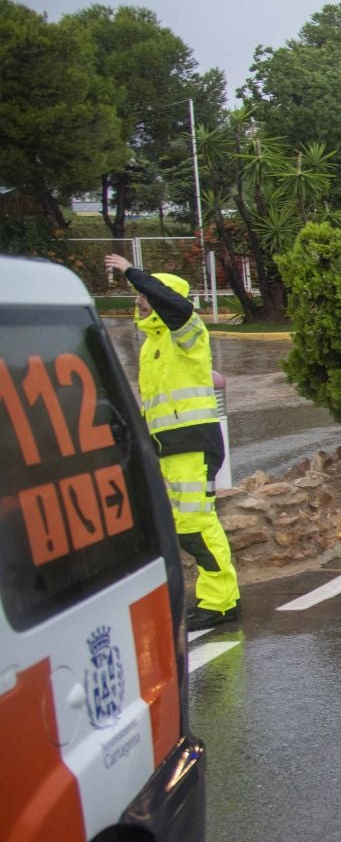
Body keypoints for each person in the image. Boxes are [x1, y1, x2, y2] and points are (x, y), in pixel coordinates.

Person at [104, 253, 242, 631]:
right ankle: (217, 599)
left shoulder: (187, 332)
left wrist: (133, 272)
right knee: (186, 526)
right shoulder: (152, 345)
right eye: (138, 297)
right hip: (170, 447)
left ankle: (221, 602)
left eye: (145, 296)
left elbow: (176, 306)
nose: (140, 301)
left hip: (192, 443)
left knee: (195, 527)